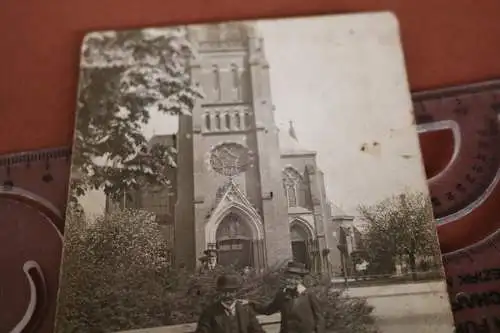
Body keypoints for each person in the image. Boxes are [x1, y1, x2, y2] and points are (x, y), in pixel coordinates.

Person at [251, 261, 325, 333]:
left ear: (301, 280)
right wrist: (251, 304)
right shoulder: (282, 295)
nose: (292, 281)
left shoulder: (309, 294)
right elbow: (268, 310)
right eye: (290, 278)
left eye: (296, 279)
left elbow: (319, 317)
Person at [195, 274, 265, 333]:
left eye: (231, 291)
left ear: (236, 292)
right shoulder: (209, 312)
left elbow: (258, 331)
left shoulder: (246, 310)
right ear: (219, 292)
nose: (227, 295)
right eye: (224, 292)